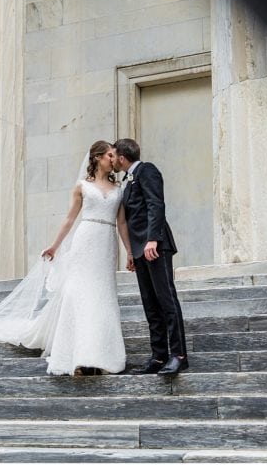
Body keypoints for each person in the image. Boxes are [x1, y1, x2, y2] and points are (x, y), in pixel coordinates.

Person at [0, 140, 131, 377]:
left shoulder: (119, 190)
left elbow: (122, 223)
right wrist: (54, 247)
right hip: (85, 240)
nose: (114, 160)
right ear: (97, 158)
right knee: (76, 293)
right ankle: (78, 356)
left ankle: (99, 354)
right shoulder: (82, 186)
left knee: (101, 295)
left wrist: (130, 252)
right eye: (110, 156)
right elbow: (69, 220)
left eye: (115, 156)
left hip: (106, 243)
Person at [113, 138, 188, 376]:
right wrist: (132, 252)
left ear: (122, 158)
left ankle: (178, 355)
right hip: (140, 251)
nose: (112, 160)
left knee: (166, 300)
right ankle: (158, 356)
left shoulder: (148, 170)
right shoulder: (127, 181)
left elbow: (156, 204)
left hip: (155, 246)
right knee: (150, 304)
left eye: (114, 156)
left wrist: (152, 239)